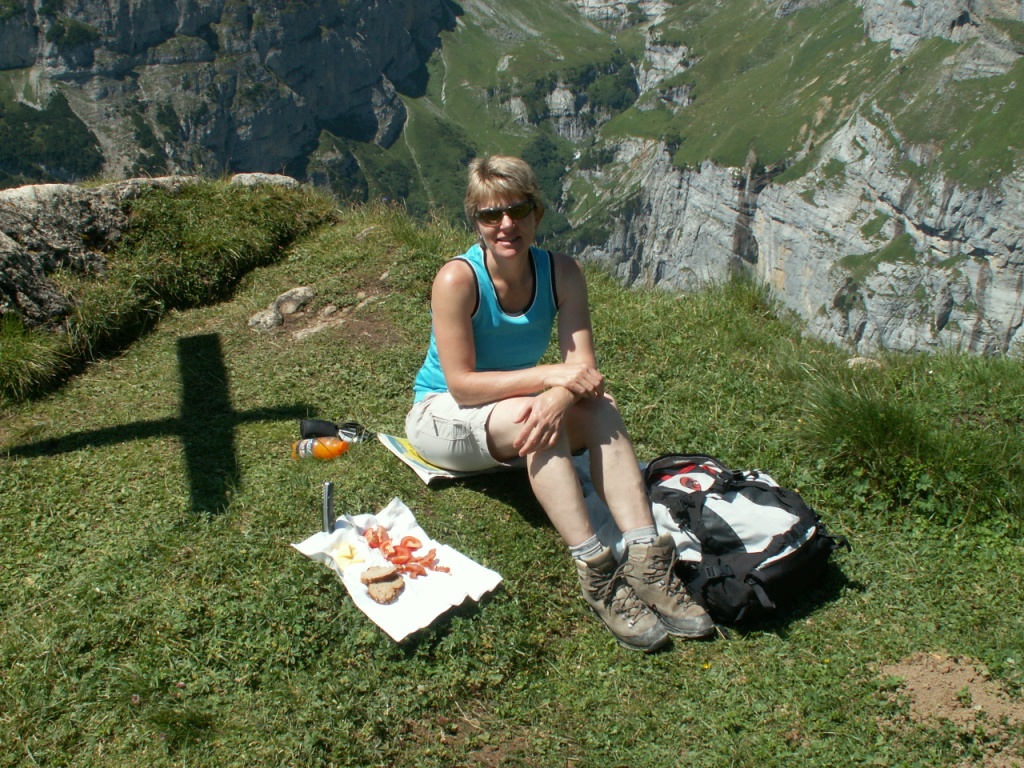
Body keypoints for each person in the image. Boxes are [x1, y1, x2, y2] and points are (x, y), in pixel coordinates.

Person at [405, 156, 713, 651]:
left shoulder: (563, 273)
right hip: (440, 416)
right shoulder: (456, 280)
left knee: (601, 408)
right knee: (537, 416)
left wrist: (558, 396)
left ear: (537, 213)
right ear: (476, 222)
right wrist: (550, 380)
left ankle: (646, 560)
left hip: (512, 407)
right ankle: (596, 571)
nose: (506, 225)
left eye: (517, 210)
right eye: (490, 215)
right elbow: (462, 386)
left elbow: (583, 371)